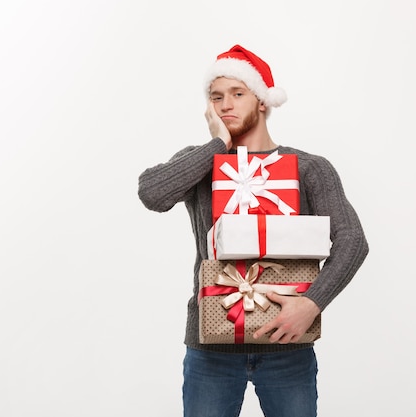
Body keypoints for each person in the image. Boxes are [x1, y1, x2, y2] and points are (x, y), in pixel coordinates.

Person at [138, 44, 369, 417]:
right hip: (210, 349)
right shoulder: (201, 164)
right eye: (216, 97)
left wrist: (312, 304)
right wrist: (217, 145)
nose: (225, 105)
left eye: (237, 93)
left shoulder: (309, 168)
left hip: (287, 348)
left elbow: (353, 241)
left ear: (262, 101)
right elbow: (152, 193)